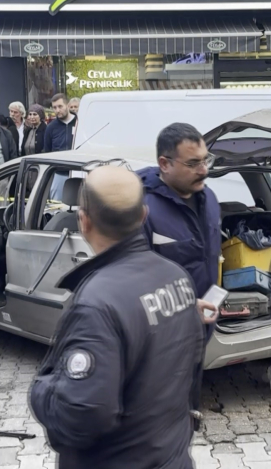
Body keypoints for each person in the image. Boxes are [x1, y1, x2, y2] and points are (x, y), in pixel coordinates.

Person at [30, 166, 206, 469]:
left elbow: (82, 414)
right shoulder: (176, 276)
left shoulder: (96, 304)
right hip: (171, 457)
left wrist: (41, 390)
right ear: (143, 216)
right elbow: (191, 369)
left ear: (84, 222)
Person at [137, 123, 221, 430]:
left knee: (186, 418)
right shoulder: (142, 208)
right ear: (164, 163)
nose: (204, 170)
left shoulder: (209, 199)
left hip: (198, 332)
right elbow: (133, 278)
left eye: (205, 160)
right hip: (160, 340)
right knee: (159, 427)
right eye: (193, 163)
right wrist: (183, 305)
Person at [44, 94, 78, 200]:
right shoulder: (51, 128)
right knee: (57, 206)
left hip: (79, 173)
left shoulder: (79, 123)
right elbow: (47, 152)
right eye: (54, 107)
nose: (57, 110)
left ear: (67, 105)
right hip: (59, 174)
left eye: (60, 106)